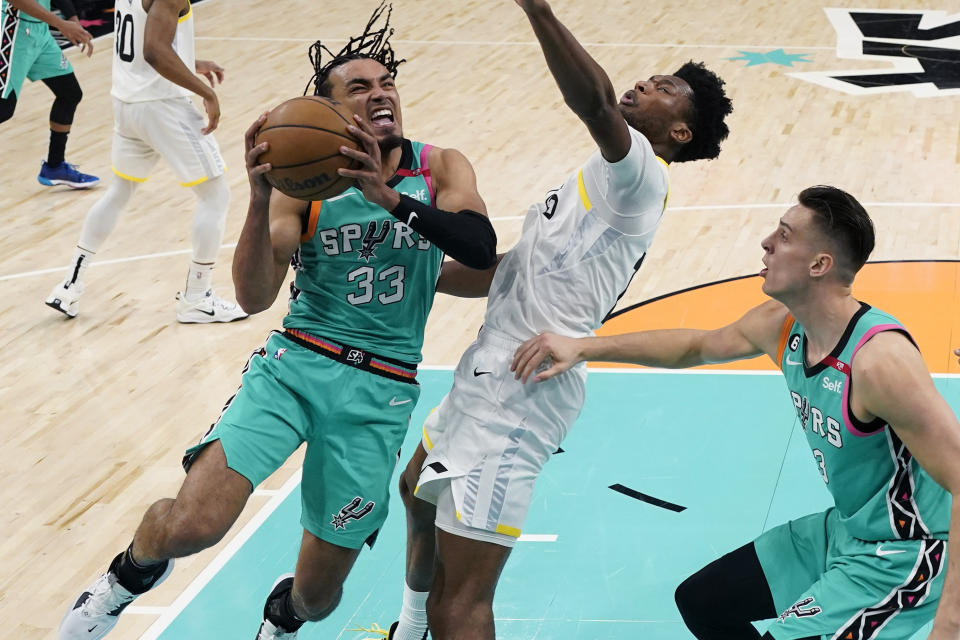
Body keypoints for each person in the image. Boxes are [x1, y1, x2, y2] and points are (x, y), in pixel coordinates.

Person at [56, 3, 497, 639]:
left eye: (385, 83)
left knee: (319, 600)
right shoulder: (303, 183)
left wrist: (388, 199)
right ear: (330, 115)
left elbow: (477, 250)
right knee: (192, 525)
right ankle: (121, 580)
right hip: (297, 365)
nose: (379, 95)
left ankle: (281, 616)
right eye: (359, 88)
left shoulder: (440, 167)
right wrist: (260, 197)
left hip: (381, 392)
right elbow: (255, 294)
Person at [385, 1, 733, 638]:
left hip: (523, 388)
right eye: (651, 76)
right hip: (488, 367)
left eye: (665, 90)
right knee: (413, 492)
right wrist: (414, 279)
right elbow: (510, 268)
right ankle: (406, 630)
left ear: (679, 132)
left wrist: (538, 9)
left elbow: (595, 100)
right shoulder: (600, 178)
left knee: (459, 604)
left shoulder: (641, 177)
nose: (645, 84)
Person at [512, 186, 960, 640]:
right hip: (846, 533)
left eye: (784, 236)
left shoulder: (879, 363)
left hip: (908, 554)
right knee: (703, 603)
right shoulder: (782, 325)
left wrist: (949, 624)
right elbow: (697, 345)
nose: (766, 242)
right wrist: (583, 347)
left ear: (819, 265)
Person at [44, 0, 245, 322]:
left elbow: (142, 41)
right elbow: (153, 50)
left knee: (119, 192)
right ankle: (197, 297)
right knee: (216, 195)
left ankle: (69, 286)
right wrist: (207, 94)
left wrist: (191, 61)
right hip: (162, 106)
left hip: (127, 102)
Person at [0, 0, 99, 188]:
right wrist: (61, 24)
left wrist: (72, 19)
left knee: (69, 93)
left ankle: (55, 166)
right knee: (3, 108)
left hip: (40, 32)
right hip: (13, 28)